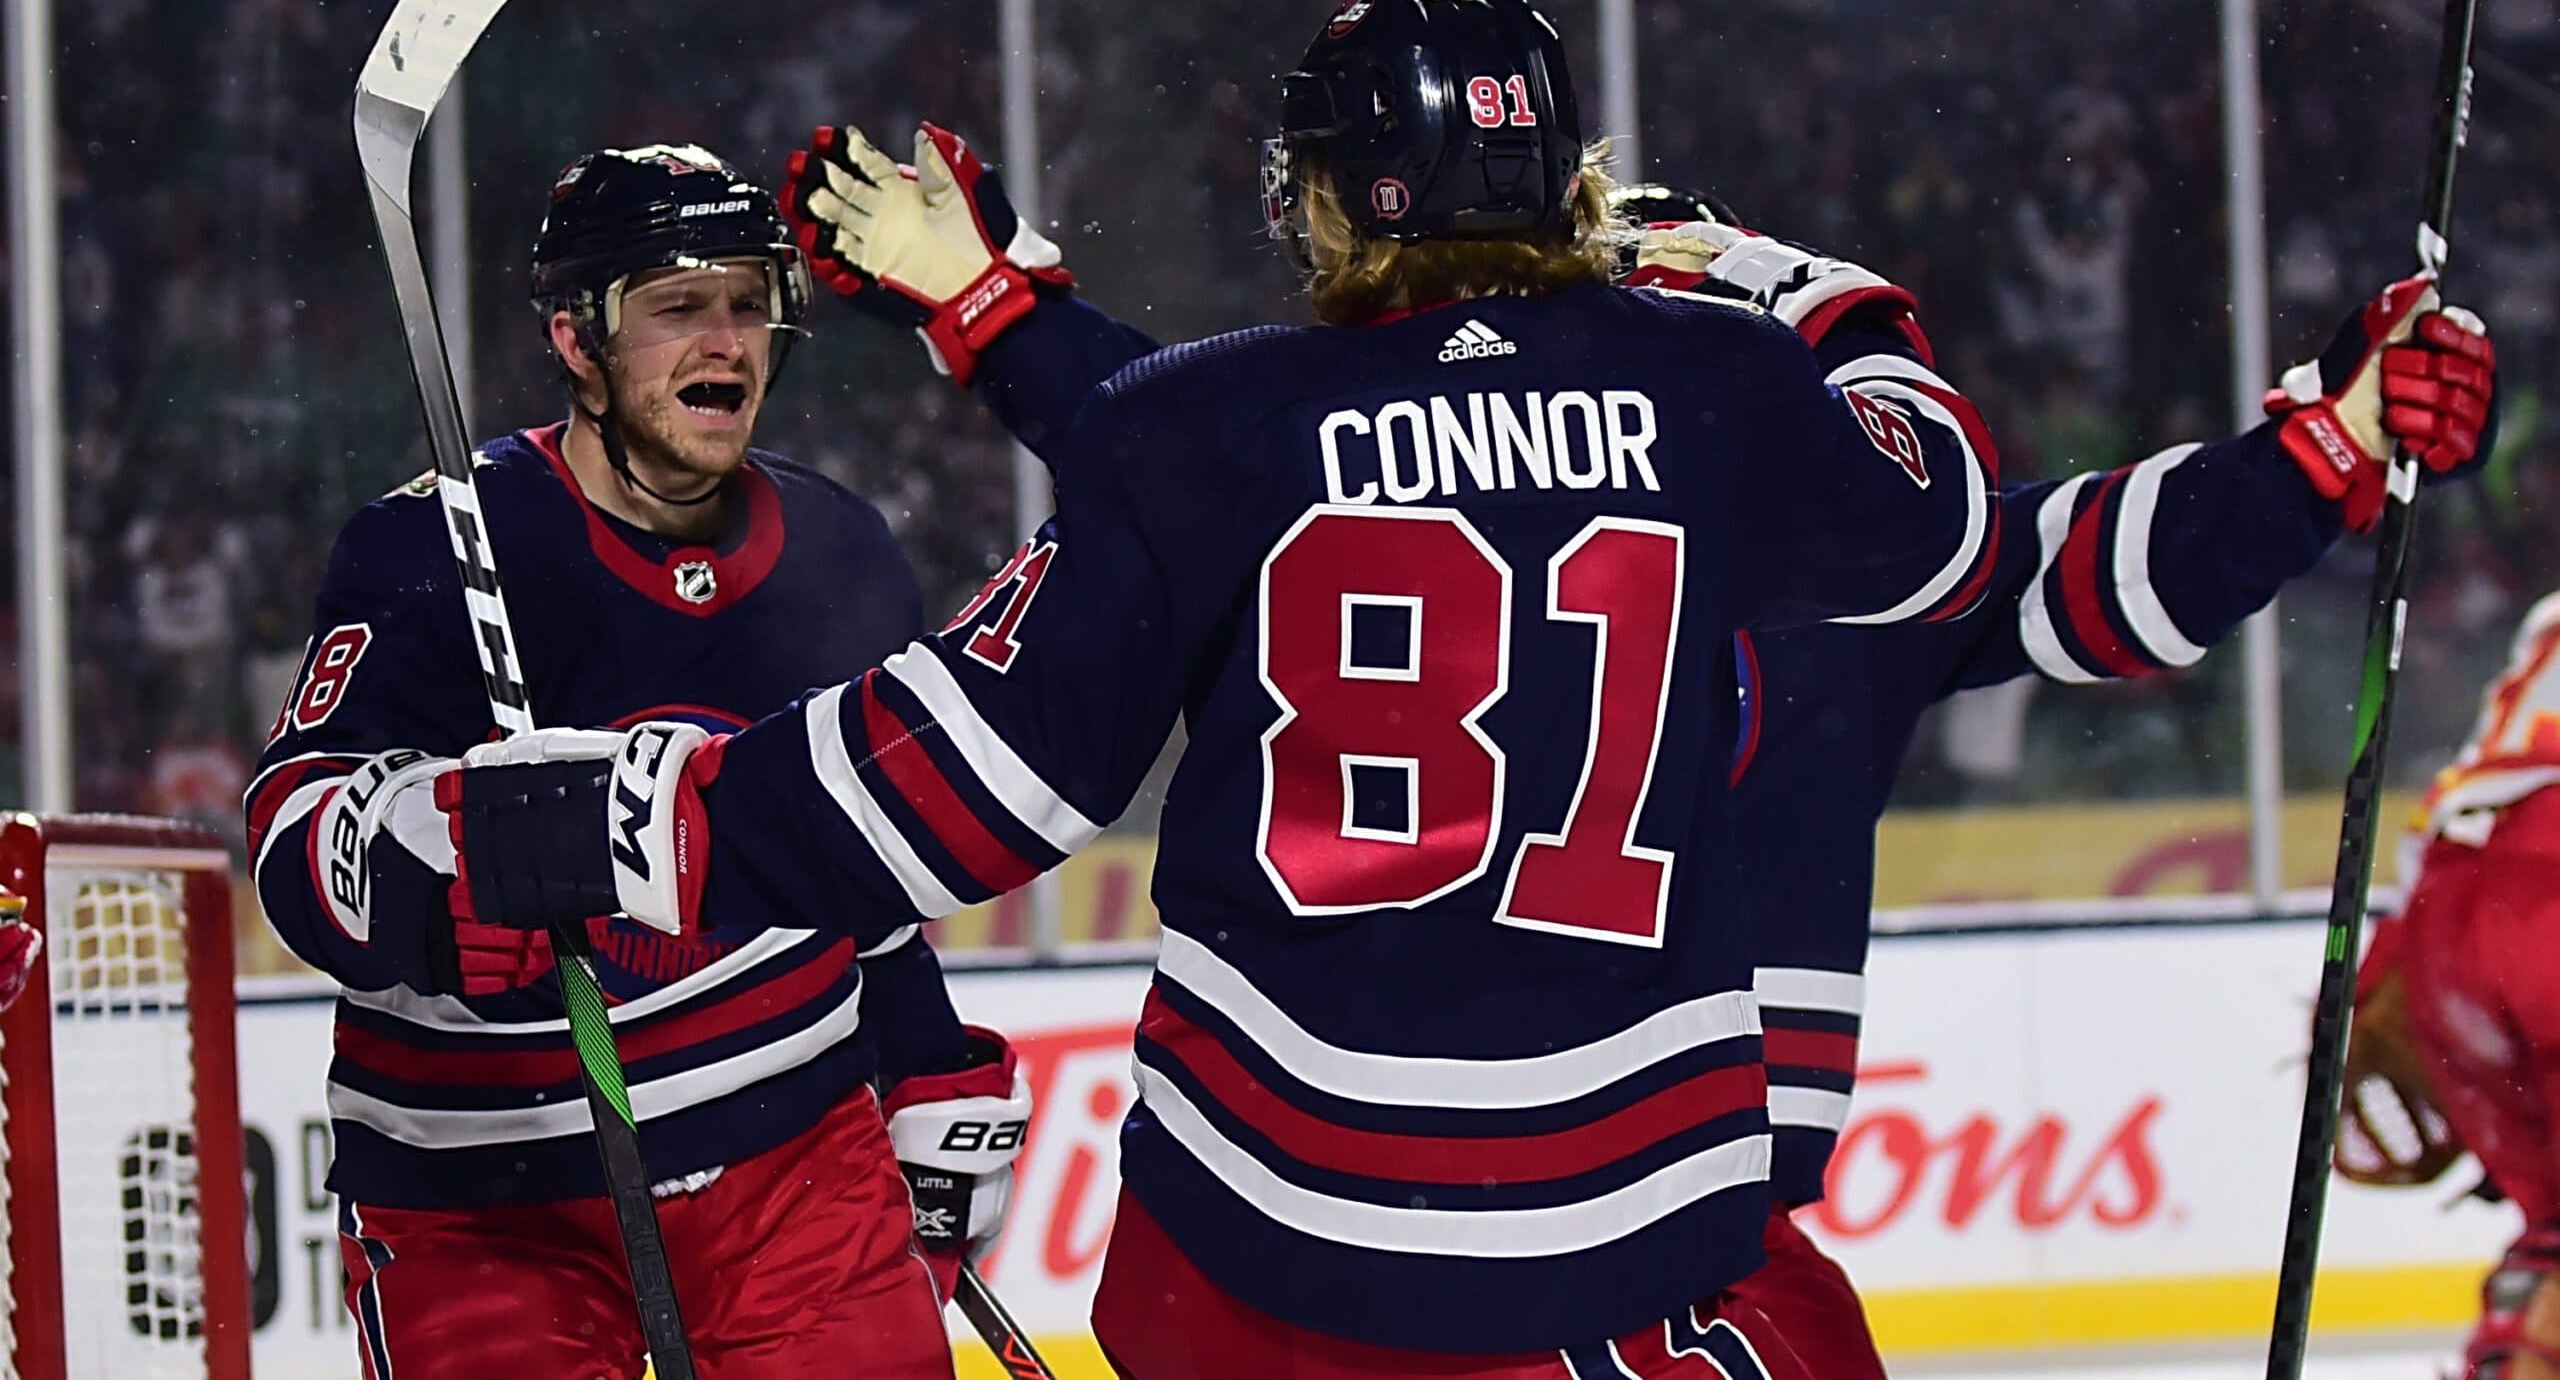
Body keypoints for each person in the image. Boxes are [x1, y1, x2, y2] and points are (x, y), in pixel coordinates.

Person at [427, 0, 2005, 1377]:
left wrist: (636, 818)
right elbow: (1934, 521)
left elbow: (978, 770)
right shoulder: (1721, 384)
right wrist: (1813, 295)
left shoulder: (1207, 425)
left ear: (1349, 194)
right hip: (1627, 1224)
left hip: (1263, 1251)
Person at [804, 139, 2500, 1378]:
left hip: (1409, 1253)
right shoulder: (1863, 566)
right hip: (1633, 1257)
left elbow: (1183, 447)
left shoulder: (1835, 569)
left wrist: (992, 300)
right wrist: (2331, 438)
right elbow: (2118, 568)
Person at [1618, 190, 2498, 1371]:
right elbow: (2088, 564)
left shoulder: (1834, 589)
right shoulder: (1842, 586)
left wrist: (2332, 436)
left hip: (1381, 1241)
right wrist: (1789, 282)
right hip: (1677, 1277)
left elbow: (2099, 559)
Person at [242, 144, 1033, 1380]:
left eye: (745, 300)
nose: (724, 341)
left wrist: (922, 1052)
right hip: (488, 1204)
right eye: (675, 307)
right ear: (577, 340)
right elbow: (293, 834)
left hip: (796, 1166)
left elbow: (852, 861)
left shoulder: (841, 549)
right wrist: (435, 848)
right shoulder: (437, 543)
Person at [2337, 593, 2560, 1380]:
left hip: (2441, 924)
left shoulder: (2546, 622)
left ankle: (2511, 1345)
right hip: (2544, 902)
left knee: (2554, 1226)